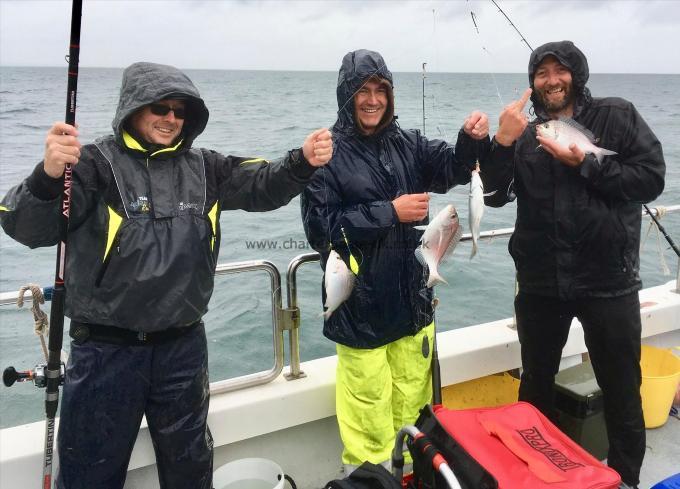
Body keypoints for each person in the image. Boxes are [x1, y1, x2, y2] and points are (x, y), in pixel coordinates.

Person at [0, 61, 332, 489]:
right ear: (133, 109)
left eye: (180, 111)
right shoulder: (93, 167)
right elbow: (24, 226)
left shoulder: (207, 168)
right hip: (105, 353)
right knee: (89, 474)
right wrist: (46, 178)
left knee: (190, 471)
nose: (171, 118)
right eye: (160, 107)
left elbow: (262, 185)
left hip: (183, 349)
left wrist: (301, 162)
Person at [480, 41, 665, 489]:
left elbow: (651, 179)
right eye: (541, 73)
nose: (551, 80)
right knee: (534, 387)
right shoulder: (525, 135)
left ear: (576, 74)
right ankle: (534, 478)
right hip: (541, 282)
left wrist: (586, 164)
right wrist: (501, 142)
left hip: (609, 280)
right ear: (532, 82)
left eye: (559, 71)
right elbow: (492, 196)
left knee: (622, 389)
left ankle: (624, 480)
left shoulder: (616, 116)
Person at [301, 49, 490, 474]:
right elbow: (321, 232)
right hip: (361, 317)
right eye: (362, 91)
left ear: (390, 95)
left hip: (414, 312)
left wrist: (470, 137)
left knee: (414, 421)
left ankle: (410, 480)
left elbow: (452, 169)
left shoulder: (409, 143)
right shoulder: (326, 154)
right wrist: (390, 211)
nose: (372, 100)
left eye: (380, 90)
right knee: (368, 432)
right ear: (346, 96)